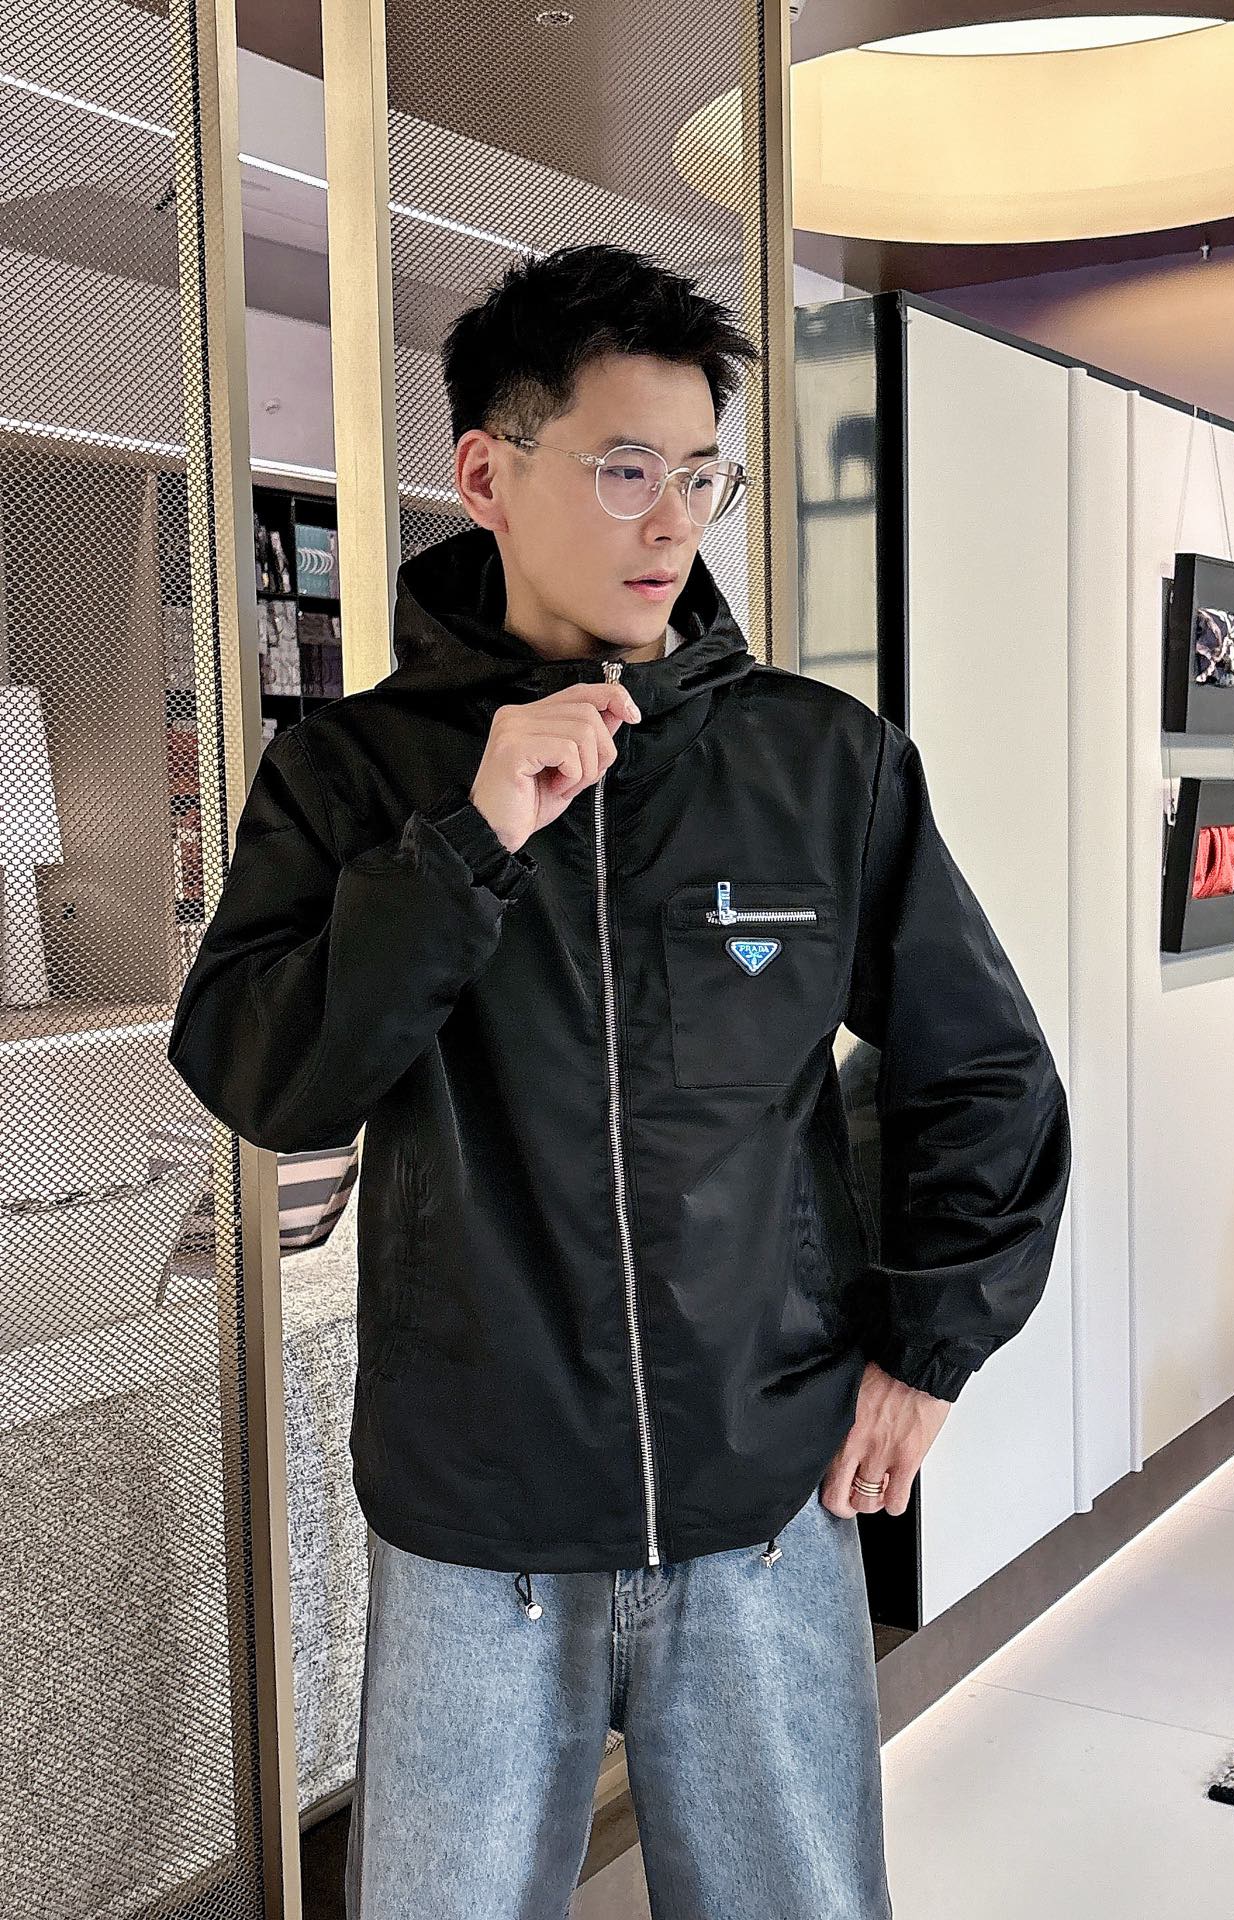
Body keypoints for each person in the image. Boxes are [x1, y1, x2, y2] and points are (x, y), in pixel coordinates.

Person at [167, 242, 1072, 1919]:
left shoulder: (820, 763)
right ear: (488, 476)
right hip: (475, 1526)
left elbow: (986, 1069)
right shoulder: (352, 776)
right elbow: (262, 1076)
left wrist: (929, 1348)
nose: (676, 524)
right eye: (627, 469)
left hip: (761, 1504)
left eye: (703, 475)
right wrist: (466, 846)